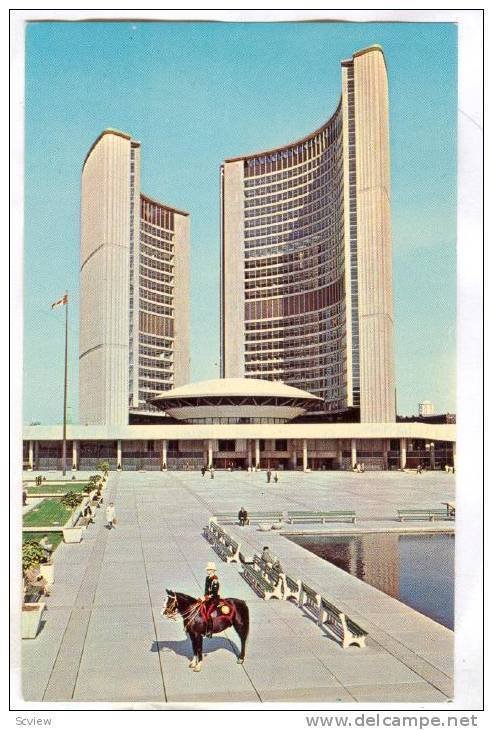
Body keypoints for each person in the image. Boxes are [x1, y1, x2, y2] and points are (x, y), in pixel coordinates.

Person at [202, 561, 220, 636]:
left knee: (208, 613)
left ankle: (210, 630)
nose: (207, 571)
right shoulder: (207, 578)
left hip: (213, 599)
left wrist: (207, 597)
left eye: (209, 570)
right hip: (207, 598)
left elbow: (214, 592)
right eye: (207, 570)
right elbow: (206, 589)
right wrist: (204, 596)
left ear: (212, 570)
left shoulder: (215, 580)